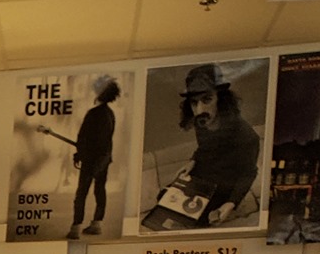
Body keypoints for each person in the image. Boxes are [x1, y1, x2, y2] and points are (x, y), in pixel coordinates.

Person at [142, 64, 261, 229]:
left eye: (207, 100)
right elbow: (204, 148)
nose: (199, 110)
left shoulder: (246, 136)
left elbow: (248, 174)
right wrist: (192, 161)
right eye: (194, 103)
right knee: (165, 199)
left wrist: (231, 203)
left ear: (221, 99)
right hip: (201, 176)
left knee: (196, 221)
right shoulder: (202, 121)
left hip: (224, 185)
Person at [68, 77, 120, 237]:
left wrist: (79, 154)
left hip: (91, 159)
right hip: (104, 159)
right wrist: (103, 159)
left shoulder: (93, 114)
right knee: (99, 191)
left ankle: (76, 228)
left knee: (81, 193)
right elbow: (106, 139)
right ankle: (97, 224)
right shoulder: (110, 114)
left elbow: (83, 137)